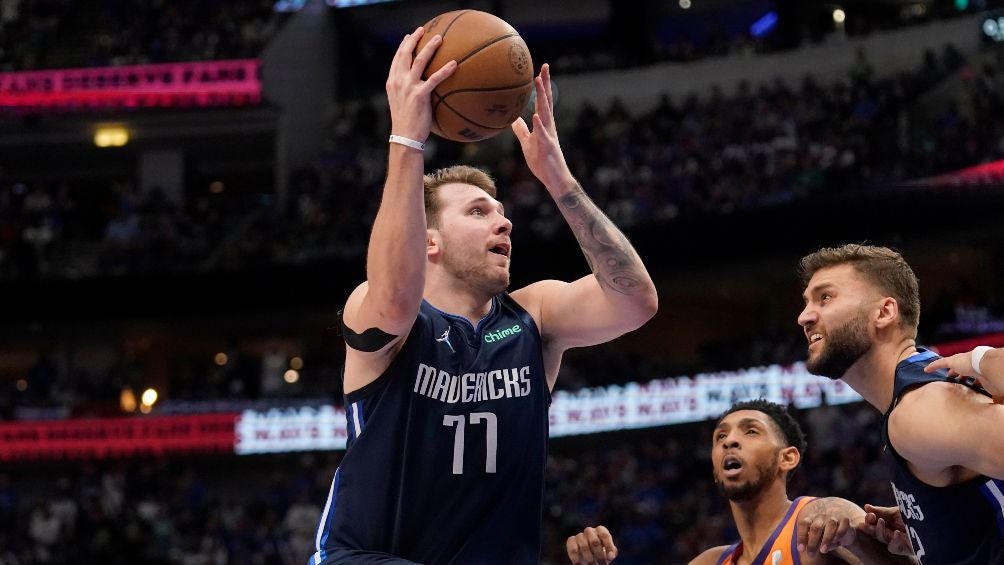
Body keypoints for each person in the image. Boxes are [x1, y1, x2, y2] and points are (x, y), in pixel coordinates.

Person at [310, 26, 658, 565]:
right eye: (478, 212)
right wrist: (407, 139)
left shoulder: (533, 316)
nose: (504, 222)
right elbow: (397, 297)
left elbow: (635, 302)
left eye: (501, 212)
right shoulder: (382, 311)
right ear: (429, 240)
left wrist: (559, 180)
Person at [797, 244, 1004, 563]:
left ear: (884, 313)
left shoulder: (917, 409)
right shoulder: (917, 391)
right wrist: (936, 517)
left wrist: (986, 360)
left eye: (825, 297)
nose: (804, 317)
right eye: (807, 302)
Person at [567, 400, 914, 565]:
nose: (729, 441)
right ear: (715, 469)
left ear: (787, 458)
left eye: (750, 432)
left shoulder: (821, 517)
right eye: (720, 437)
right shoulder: (709, 562)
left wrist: (860, 541)